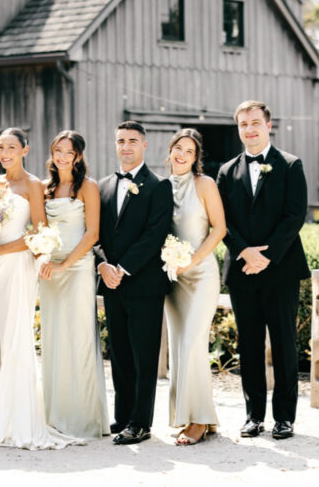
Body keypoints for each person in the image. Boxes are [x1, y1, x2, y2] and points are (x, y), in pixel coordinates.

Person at [0, 128, 82, 450]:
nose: (5, 153)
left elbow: (40, 235)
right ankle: (14, 414)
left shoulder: (33, 185)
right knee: (6, 338)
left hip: (17, 267)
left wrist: (0, 250)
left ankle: (23, 420)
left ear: (25, 149)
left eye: (11, 147)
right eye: (1, 147)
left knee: (19, 338)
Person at [216, 100, 309, 440]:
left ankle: (285, 417)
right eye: (243, 124)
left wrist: (266, 256)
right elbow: (221, 219)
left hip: (281, 269)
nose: (250, 129)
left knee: (284, 343)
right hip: (242, 270)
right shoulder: (226, 171)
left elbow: (295, 215)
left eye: (255, 122)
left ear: (269, 125)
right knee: (249, 344)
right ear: (238, 129)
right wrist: (243, 252)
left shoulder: (290, 164)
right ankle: (253, 415)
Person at [94, 120, 173, 445]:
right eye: (120, 141)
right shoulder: (102, 185)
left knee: (143, 356)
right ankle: (123, 416)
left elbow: (155, 235)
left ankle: (141, 422)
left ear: (144, 146)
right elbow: (95, 234)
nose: (125, 146)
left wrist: (122, 268)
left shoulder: (159, 186)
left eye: (132, 141)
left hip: (143, 284)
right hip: (111, 284)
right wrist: (102, 265)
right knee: (121, 354)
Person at [38, 130, 110, 440]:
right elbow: (39, 229)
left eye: (69, 151)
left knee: (79, 337)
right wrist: (45, 258)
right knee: (54, 338)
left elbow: (92, 233)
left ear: (78, 155)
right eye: (58, 150)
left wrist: (65, 264)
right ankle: (55, 415)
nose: (62, 156)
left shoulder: (88, 187)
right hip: (49, 272)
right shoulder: (44, 188)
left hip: (78, 268)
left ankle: (84, 418)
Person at [163, 129, 226, 446]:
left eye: (189, 150)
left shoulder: (205, 184)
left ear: (196, 156)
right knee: (178, 347)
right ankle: (190, 415)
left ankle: (200, 420)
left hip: (201, 275)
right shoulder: (160, 186)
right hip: (173, 278)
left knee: (192, 343)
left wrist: (194, 259)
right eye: (178, 147)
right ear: (170, 150)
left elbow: (220, 228)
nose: (182, 154)